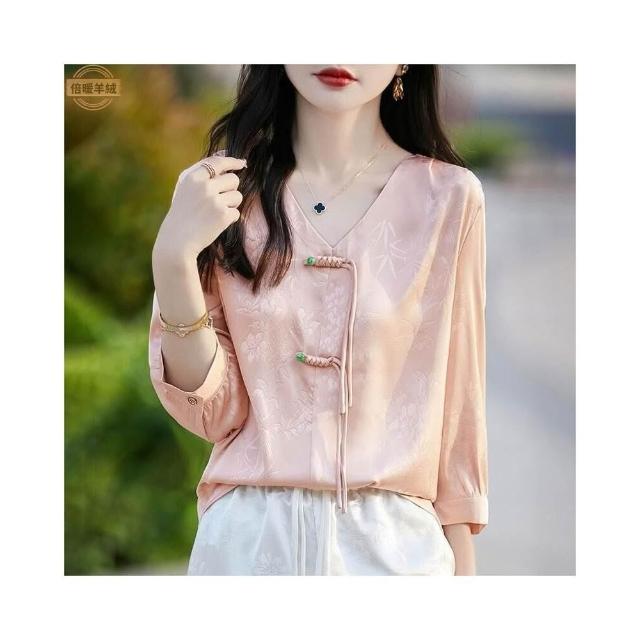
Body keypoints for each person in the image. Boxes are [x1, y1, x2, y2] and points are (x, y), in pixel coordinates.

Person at [149, 64, 488, 575]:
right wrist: (172, 260)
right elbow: (213, 414)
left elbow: (459, 408)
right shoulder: (223, 192)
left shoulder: (449, 199)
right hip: (246, 547)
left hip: (394, 554)